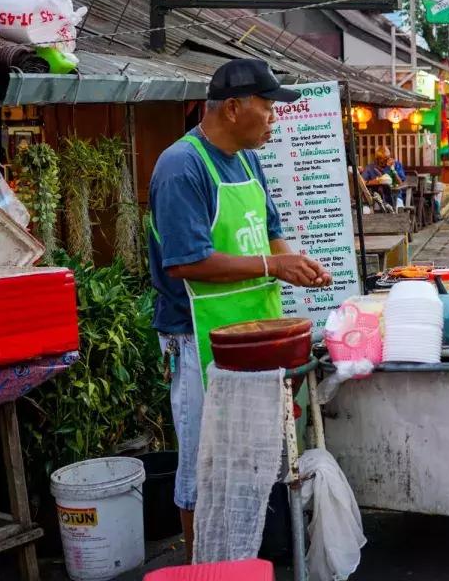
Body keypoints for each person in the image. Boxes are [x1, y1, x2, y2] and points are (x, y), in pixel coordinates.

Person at [147, 58, 332, 562]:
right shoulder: (182, 166)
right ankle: (201, 565)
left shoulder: (249, 160)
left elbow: (270, 230)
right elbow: (186, 263)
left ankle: (246, 558)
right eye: (267, 108)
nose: (274, 118)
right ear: (232, 108)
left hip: (256, 336)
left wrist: (294, 261)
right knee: (202, 465)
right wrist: (274, 264)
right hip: (197, 340)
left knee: (252, 457)